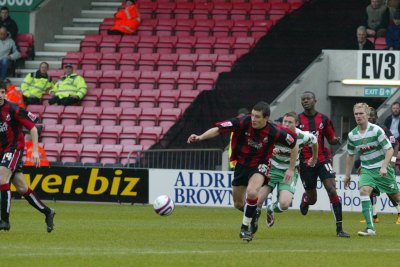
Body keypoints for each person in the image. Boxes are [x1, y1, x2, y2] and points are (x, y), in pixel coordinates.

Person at [187, 101, 298, 242]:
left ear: (266, 118)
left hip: (260, 164)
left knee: (252, 192)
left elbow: (294, 144)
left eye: (257, 117)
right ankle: (254, 213)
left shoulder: (274, 131)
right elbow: (218, 129)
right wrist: (200, 137)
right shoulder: (242, 122)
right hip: (241, 165)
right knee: (238, 203)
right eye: (252, 115)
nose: (253, 119)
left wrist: (291, 168)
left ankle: (244, 228)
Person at [0, 80, 55, 232]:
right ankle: (48, 212)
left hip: (13, 149)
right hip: (2, 151)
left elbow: (33, 128)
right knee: (22, 187)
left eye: (2, 92)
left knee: (1, 178)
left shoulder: (13, 109)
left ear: (5, 93)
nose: (0, 95)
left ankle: (4, 221)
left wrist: (35, 150)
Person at [298, 91, 350, 238]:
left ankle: (339, 229)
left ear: (315, 100)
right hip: (305, 162)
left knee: (331, 189)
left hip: (322, 159)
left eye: (308, 98)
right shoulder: (297, 120)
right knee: (313, 199)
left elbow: (330, 137)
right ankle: (306, 200)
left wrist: (336, 140)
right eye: (303, 99)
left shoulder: (324, 119)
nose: (305, 101)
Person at [344, 103, 400, 236]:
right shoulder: (352, 135)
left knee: (396, 197)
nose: (358, 116)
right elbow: (350, 155)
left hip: (382, 170)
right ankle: (370, 228)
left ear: (367, 115)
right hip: (367, 170)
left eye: (361, 113)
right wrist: (347, 175)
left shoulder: (376, 130)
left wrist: (385, 166)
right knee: (364, 191)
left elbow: (390, 149)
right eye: (356, 114)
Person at [255, 112, 318, 229]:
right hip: (271, 169)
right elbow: (261, 144)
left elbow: (314, 140)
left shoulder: (302, 136)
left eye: (290, 122)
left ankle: (271, 208)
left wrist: (314, 158)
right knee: (257, 200)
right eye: (285, 121)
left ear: (297, 124)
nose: (287, 124)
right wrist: (270, 150)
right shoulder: (275, 133)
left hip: (289, 172)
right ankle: (253, 224)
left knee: (284, 204)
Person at [356, 107, 400, 224]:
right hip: (370, 165)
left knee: (390, 192)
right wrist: (363, 164)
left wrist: (392, 160)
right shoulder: (364, 130)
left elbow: (395, 144)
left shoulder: (382, 129)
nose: (369, 118)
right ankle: (374, 216)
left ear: (376, 117)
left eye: (372, 116)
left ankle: (399, 213)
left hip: (383, 164)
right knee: (369, 189)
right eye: (368, 116)